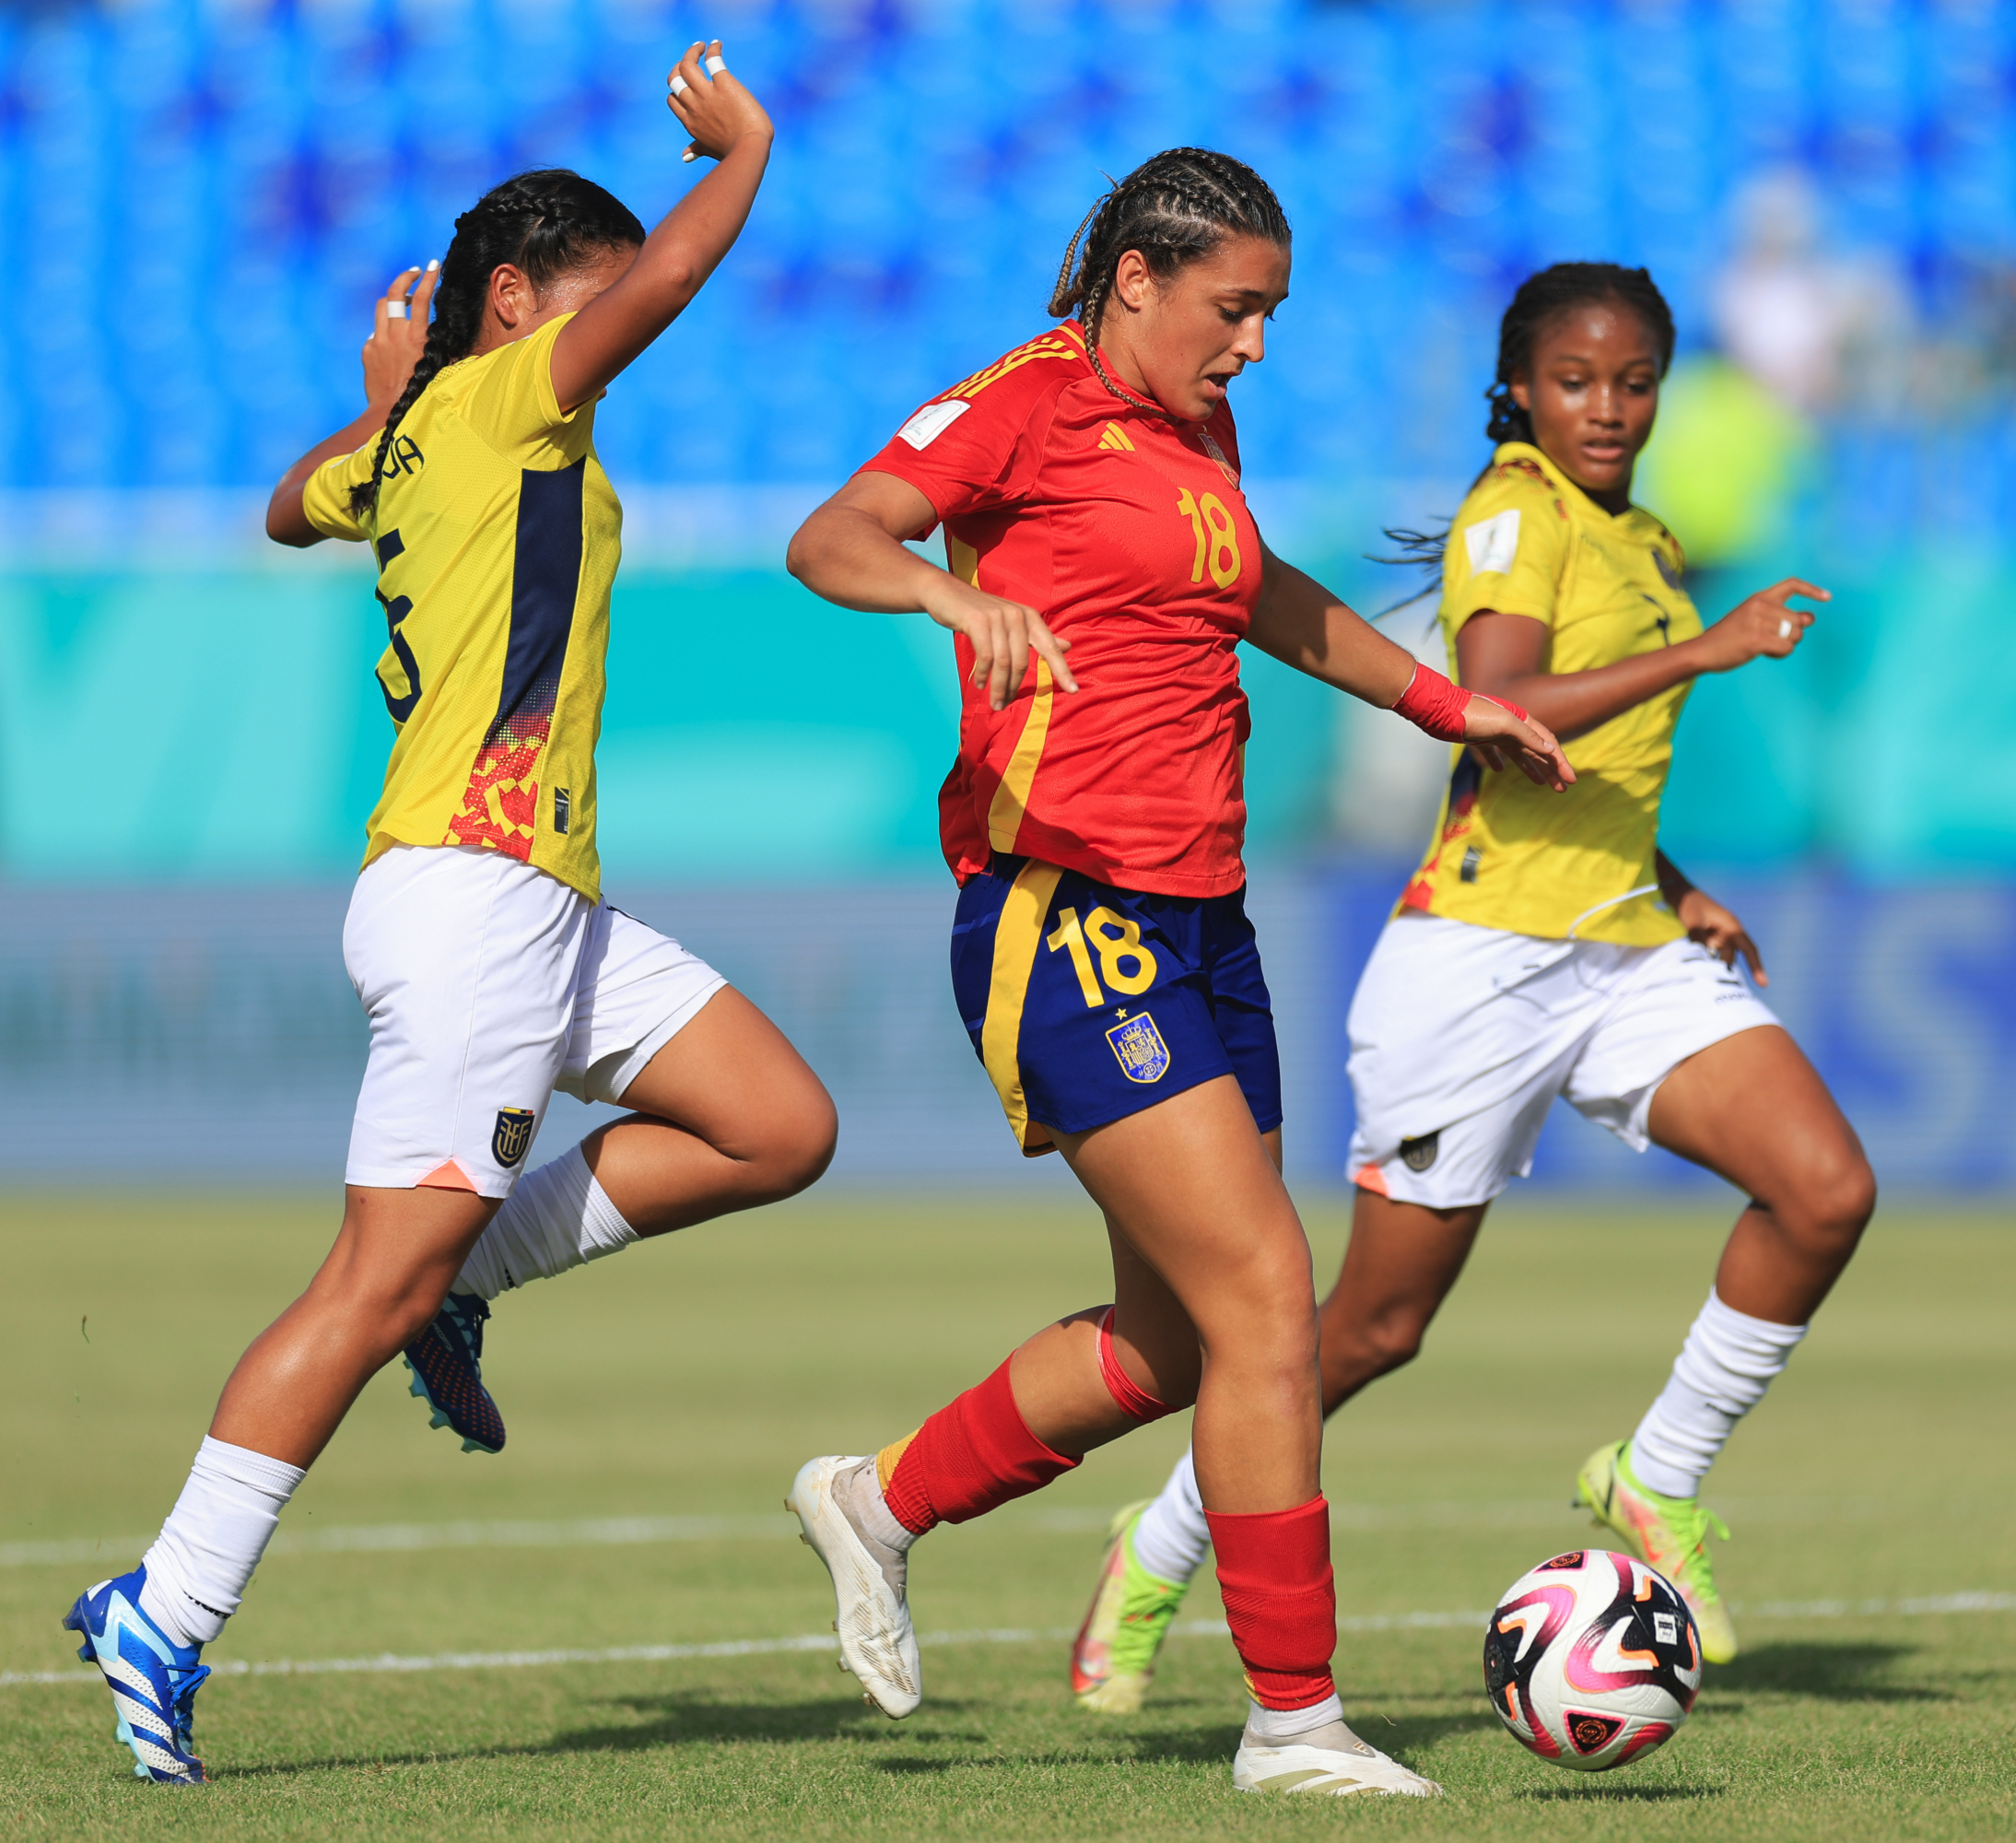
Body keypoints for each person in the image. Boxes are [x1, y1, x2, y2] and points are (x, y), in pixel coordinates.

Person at [59, 51, 832, 1786]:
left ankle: (462, 1277)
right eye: (581, 302)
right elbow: (676, 275)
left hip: (536, 902)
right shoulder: (506, 406)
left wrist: (376, 403)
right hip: (477, 900)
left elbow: (285, 506)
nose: (608, 334)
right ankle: (164, 1613)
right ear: (514, 305)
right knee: (359, 1284)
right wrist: (748, 152)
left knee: (778, 1123)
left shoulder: (426, 435)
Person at [779, 148, 1570, 1798]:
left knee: (1185, 1336)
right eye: (1235, 309)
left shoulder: (1195, 419)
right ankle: (1294, 1723)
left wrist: (1448, 707)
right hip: (1065, 906)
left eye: (1271, 314)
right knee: (1273, 1294)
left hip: (1203, 912)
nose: (1255, 345)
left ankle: (877, 1503)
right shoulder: (1025, 400)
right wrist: (943, 595)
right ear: (1135, 276)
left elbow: (1254, 591)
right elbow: (831, 535)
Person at [1067, 262, 1876, 1714]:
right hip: (1481, 966)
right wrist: (1711, 647)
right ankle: (1161, 1541)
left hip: (1623, 935)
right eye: (1576, 380)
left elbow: (1589, 767)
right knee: (1370, 1332)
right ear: (1518, 390)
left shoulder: (1642, 537)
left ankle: (1655, 1477)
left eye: (1633, 382)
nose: (1608, 407)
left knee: (1823, 1188)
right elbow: (1503, 707)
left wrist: (1672, 877)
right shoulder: (1514, 509)